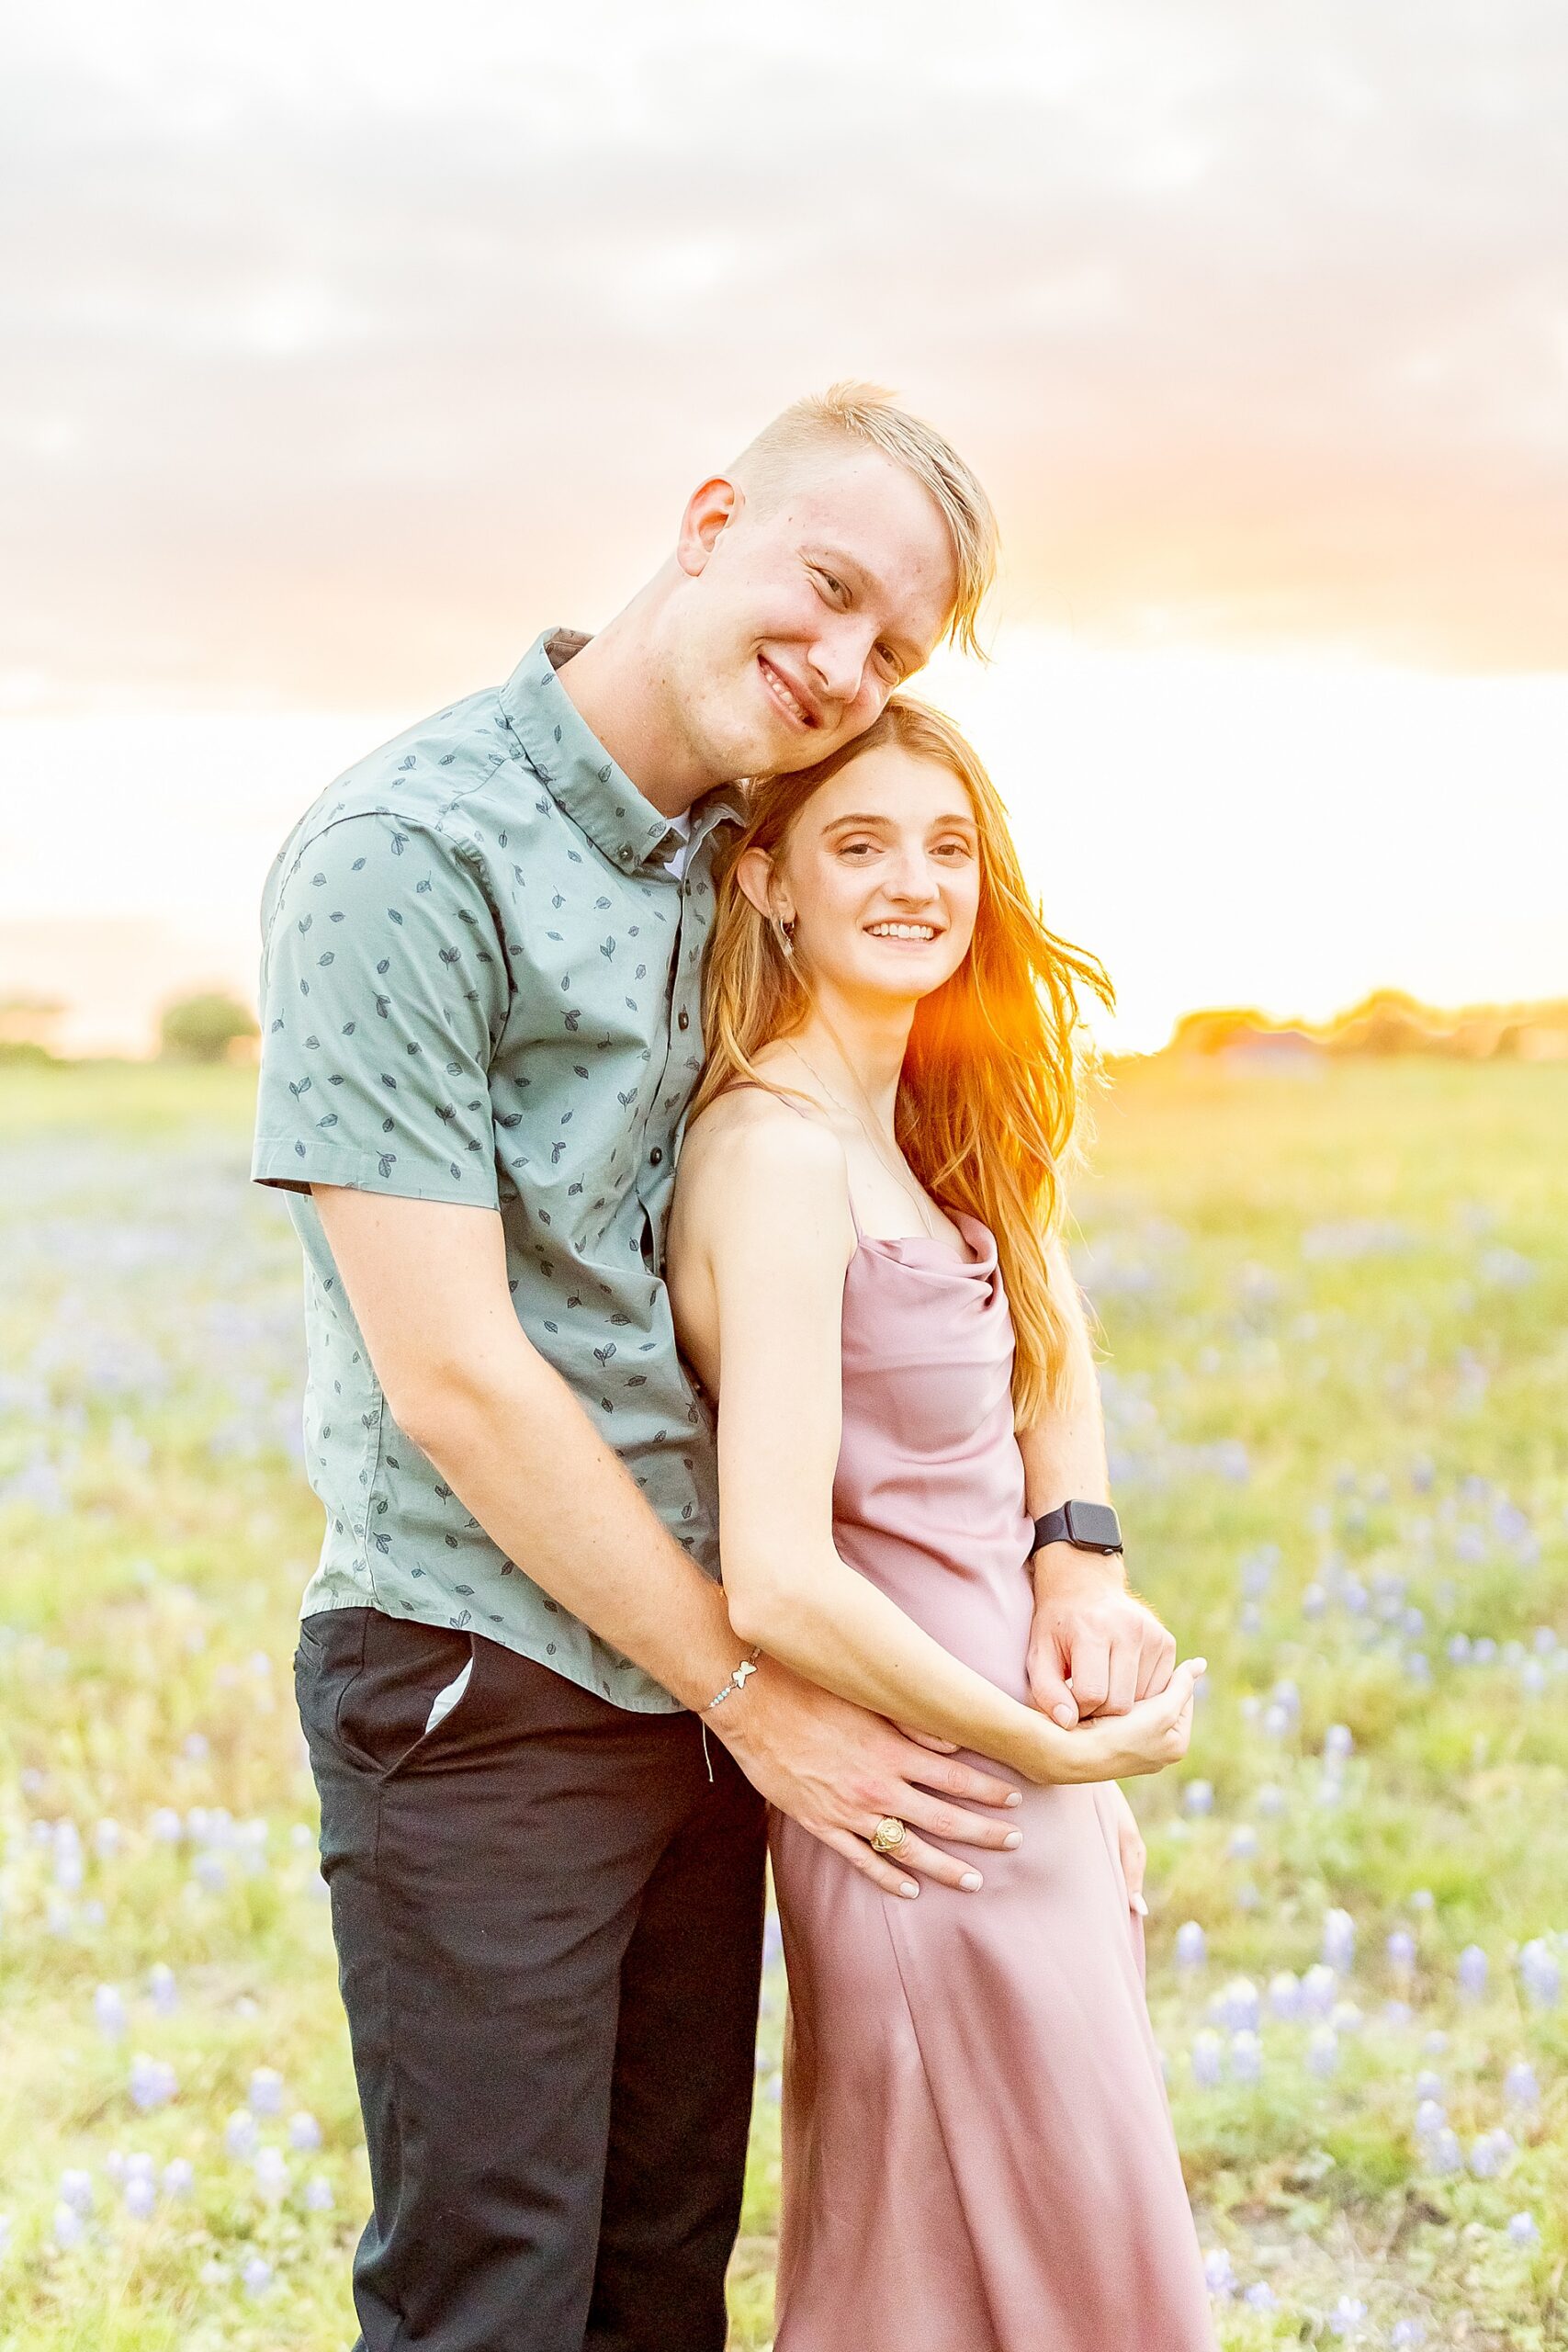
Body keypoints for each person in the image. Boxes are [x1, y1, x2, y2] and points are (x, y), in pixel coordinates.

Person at [252, 382, 1179, 2352]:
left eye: (892, 647)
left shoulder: (738, 854)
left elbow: (974, 1238)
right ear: (704, 519)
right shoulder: (407, 852)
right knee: (491, 2285)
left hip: (719, 1692)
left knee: (660, 2271)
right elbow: (456, 1379)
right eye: (824, 586)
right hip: (484, 1678)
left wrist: (1065, 1546)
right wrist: (750, 1680)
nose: (842, 664)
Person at [666, 695, 1216, 2350]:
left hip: (1017, 1774)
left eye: (948, 844)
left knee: (1047, 2238)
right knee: (969, 2264)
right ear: (768, 883)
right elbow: (775, 1576)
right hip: (932, 1790)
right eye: (860, 843)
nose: (916, 880)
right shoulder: (773, 1150)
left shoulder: (934, 1130)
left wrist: (1080, 1557)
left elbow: (1047, 1351)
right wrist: (1039, 1757)